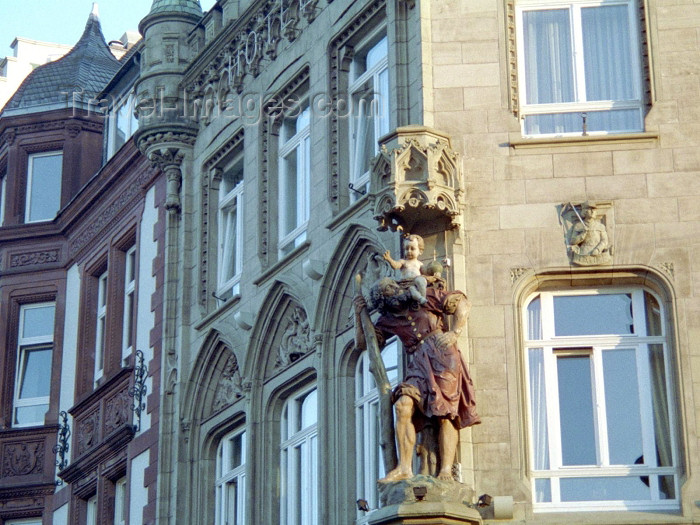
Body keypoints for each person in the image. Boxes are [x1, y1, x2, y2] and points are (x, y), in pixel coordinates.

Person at [354, 276, 480, 482]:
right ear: (382, 301)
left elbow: (462, 302)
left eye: (394, 288)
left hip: (443, 356)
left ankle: (446, 470)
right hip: (419, 363)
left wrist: (454, 333)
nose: (395, 293)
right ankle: (405, 468)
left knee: (446, 413)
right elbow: (365, 344)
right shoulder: (387, 320)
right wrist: (359, 315)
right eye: (388, 293)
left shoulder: (424, 297)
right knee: (403, 404)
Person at [383, 234, 428, 305]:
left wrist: (435, 271)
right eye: (407, 249)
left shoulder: (420, 264)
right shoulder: (403, 261)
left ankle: (423, 298)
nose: (409, 251)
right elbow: (395, 266)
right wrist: (389, 259)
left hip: (416, 282)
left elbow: (426, 272)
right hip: (406, 284)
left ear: (420, 251)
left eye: (412, 248)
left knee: (422, 280)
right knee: (412, 290)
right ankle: (420, 299)